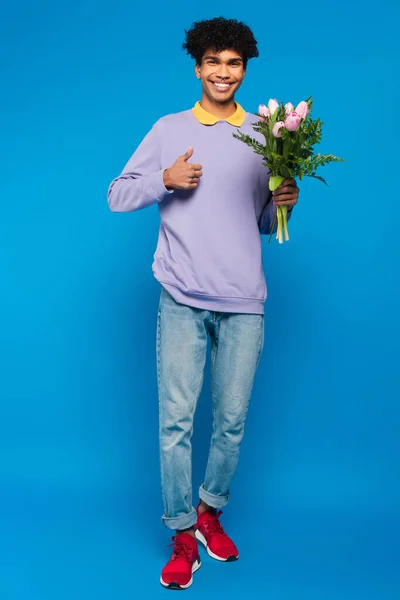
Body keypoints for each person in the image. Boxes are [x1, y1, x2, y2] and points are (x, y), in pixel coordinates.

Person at [107, 16, 299, 591]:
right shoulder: (168, 128)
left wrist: (285, 200)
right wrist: (165, 178)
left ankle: (211, 509)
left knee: (232, 421)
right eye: (213, 61)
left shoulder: (268, 135)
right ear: (197, 66)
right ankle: (182, 530)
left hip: (244, 297)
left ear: (245, 70)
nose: (223, 72)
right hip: (182, 295)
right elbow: (117, 195)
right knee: (176, 422)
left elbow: (261, 221)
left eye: (234, 63)